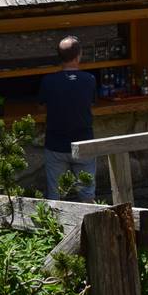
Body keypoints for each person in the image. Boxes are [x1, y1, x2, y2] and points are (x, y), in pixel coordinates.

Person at [38, 36, 97, 201]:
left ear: (59, 57)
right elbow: (92, 103)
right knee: (87, 194)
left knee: (55, 194)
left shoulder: (48, 81)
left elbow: (40, 106)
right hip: (84, 142)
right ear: (79, 55)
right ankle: (90, 224)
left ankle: (54, 226)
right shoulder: (89, 80)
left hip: (56, 144)